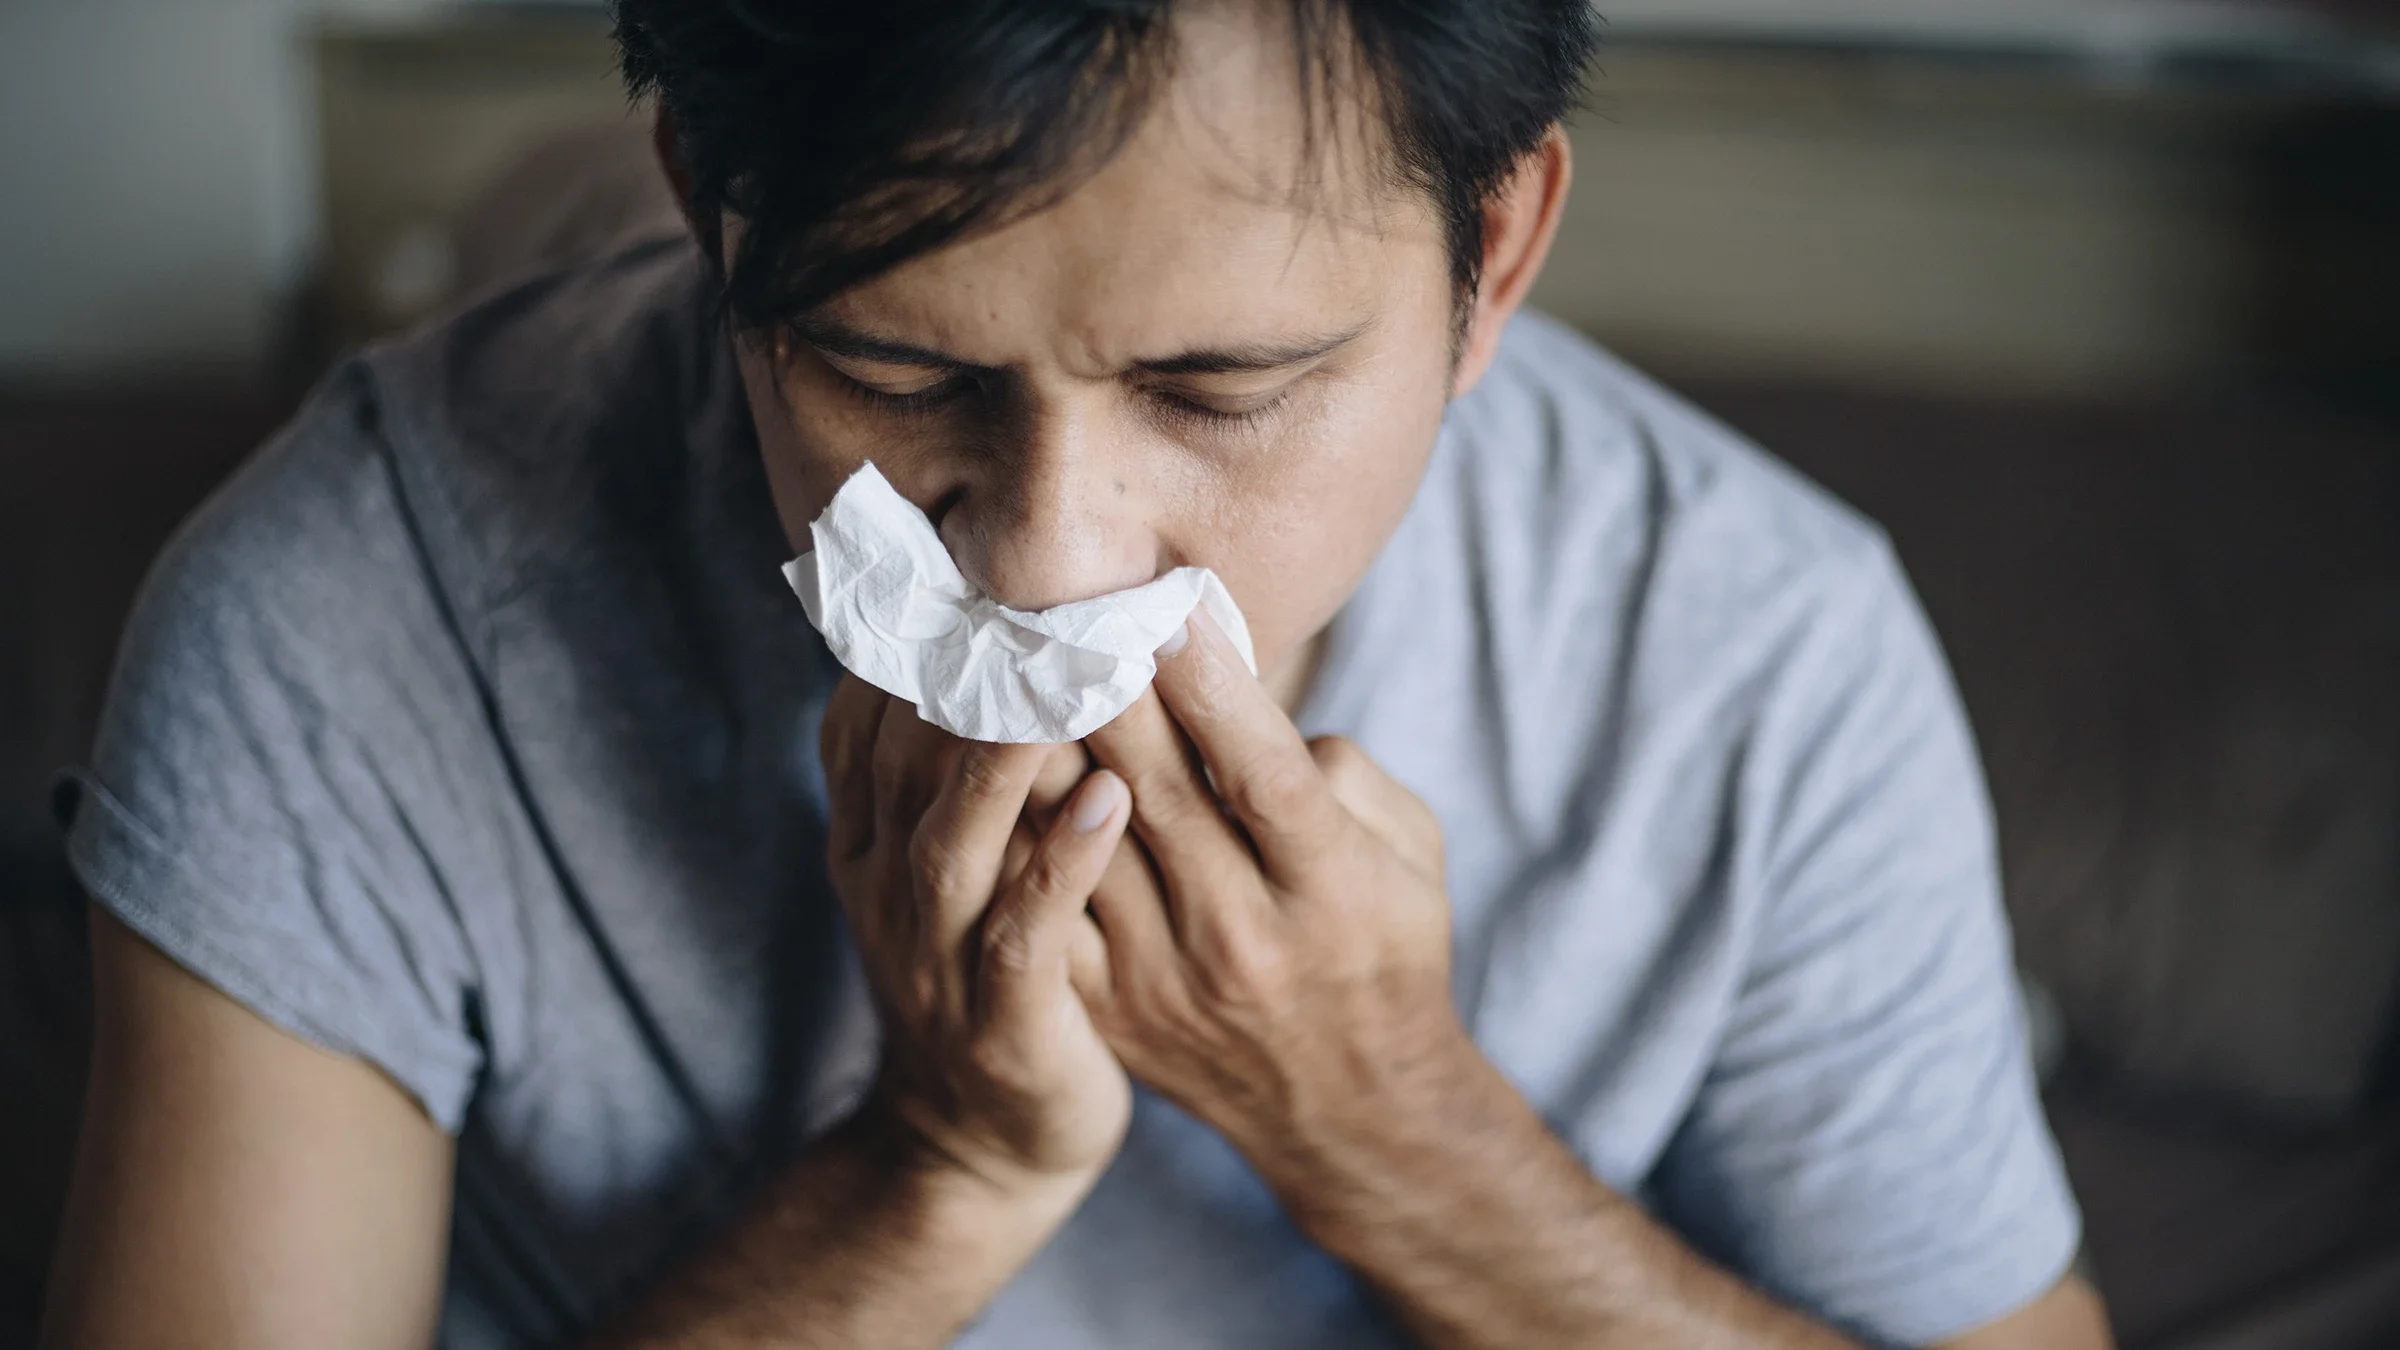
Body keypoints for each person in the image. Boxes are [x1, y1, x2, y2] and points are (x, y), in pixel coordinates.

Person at [38, 2, 2114, 1347]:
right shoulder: (350, 606)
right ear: (709, 206)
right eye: (893, 370)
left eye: (1219, 390)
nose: (1044, 558)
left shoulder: (1759, 652)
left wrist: (1399, 1129)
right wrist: (928, 1171)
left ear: (1493, 259)